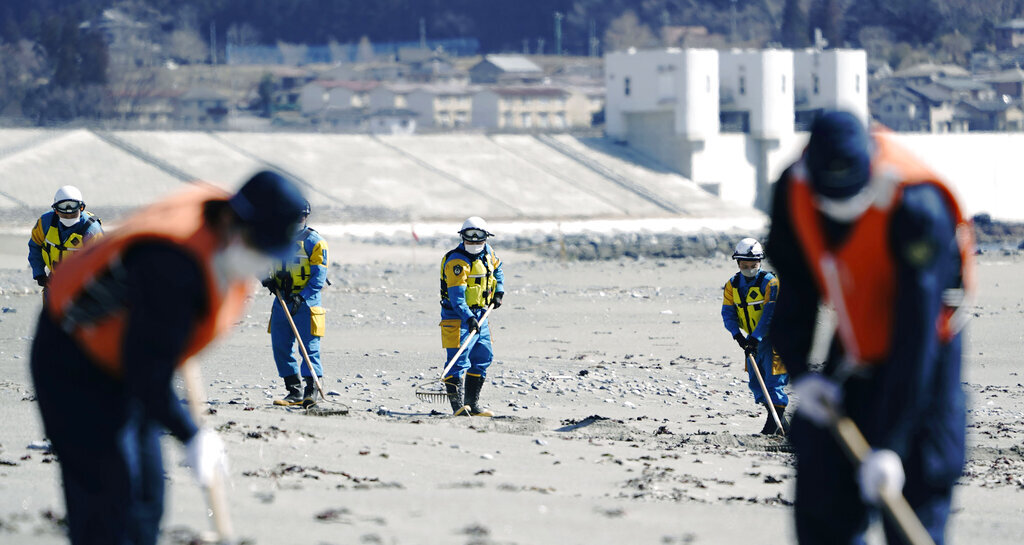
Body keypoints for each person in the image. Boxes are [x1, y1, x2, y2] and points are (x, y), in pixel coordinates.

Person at [31, 171, 308, 545]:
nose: (262, 259)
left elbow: (151, 356)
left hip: (130, 357)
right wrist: (192, 435)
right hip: (72, 361)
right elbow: (146, 370)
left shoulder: (220, 241)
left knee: (146, 497)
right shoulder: (173, 266)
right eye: (260, 246)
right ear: (231, 220)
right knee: (109, 500)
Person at [766, 110, 973, 544]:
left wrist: (893, 444)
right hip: (854, 350)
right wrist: (802, 373)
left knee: (916, 489)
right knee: (822, 498)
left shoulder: (916, 206)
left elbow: (917, 331)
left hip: (925, 365)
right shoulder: (794, 187)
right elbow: (795, 286)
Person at [262, 200, 329, 408]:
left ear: (305, 217)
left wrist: (303, 296)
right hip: (282, 300)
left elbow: (319, 277)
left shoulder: (315, 242)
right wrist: (266, 279)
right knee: (280, 345)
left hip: (306, 304)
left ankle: (312, 390)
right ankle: (294, 390)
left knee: (309, 347)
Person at [720, 237, 789, 435]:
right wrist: (737, 336)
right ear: (738, 263)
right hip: (751, 341)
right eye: (745, 265)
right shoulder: (732, 285)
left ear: (760, 263)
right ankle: (782, 425)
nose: (749, 268)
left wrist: (755, 338)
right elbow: (728, 313)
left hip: (774, 339)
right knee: (756, 383)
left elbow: (769, 315)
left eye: (753, 265)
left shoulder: (770, 283)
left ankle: (772, 426)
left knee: (774, 381)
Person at [439, 216, 504, 417]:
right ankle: (457, 406)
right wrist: (468, 318)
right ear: (462, 237)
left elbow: (498, 270)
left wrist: (499, 291)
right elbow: (458, 299)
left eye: (479, 236)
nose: (474, 241)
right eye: (469, 236)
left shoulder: (488, 254)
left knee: (483, 356)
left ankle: (472, 404)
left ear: (486, 237)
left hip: (481, 314)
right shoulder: (457, 262)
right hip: (458, 318)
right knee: (458, 360)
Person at [28, 185, 104, 289]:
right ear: (56, 210)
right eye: (64, 215)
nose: (69, 217)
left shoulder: (92, 231)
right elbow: (35, 246)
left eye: (73, 215)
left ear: (81, 208)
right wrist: (39, 273)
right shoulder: (45, 222)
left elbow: (102, 262)